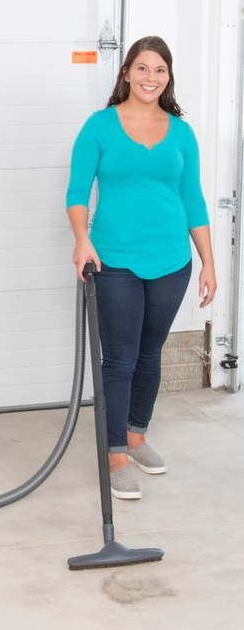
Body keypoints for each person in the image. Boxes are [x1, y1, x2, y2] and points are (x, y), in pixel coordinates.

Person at [65, 35, 216, 500]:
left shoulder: (182, 132)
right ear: (126, 72)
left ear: (168, 78)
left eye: (161, 70)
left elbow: (192, 199)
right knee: (121, 359)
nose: (151, 78)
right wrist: (82, 241)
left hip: (172, 261)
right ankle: (113, 455)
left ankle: (136, 437)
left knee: (151, 354)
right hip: (114, 261)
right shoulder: (99, 127)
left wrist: (209, 262)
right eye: (143, 68)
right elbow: (76, 192)